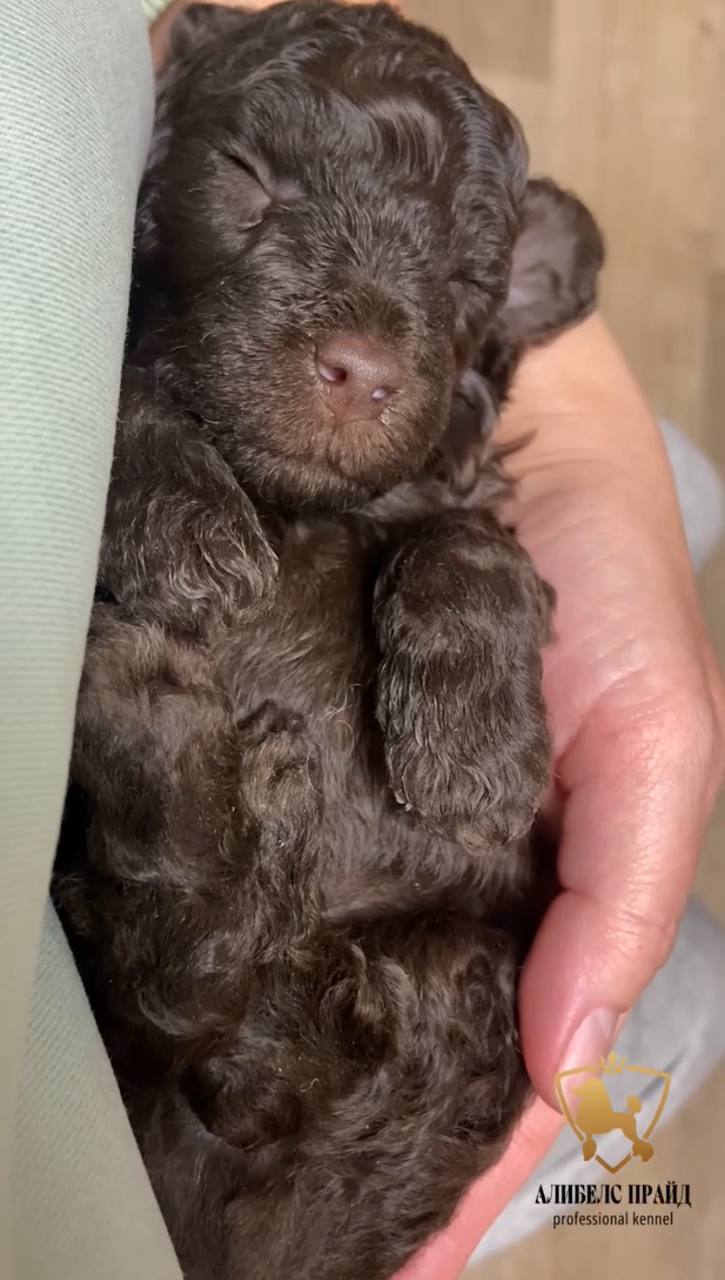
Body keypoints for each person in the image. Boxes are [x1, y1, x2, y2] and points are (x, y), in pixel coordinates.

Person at [1, 2, 722, 1278]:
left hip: (389, 1012)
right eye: (248, 185)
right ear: (147, 162)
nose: (360, 348)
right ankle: (190, 913)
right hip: (136, 1088)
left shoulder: (440, 469)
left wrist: (558, 482)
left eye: (446, 286)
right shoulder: (111, 374)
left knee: (684, 490)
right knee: (688, 995)